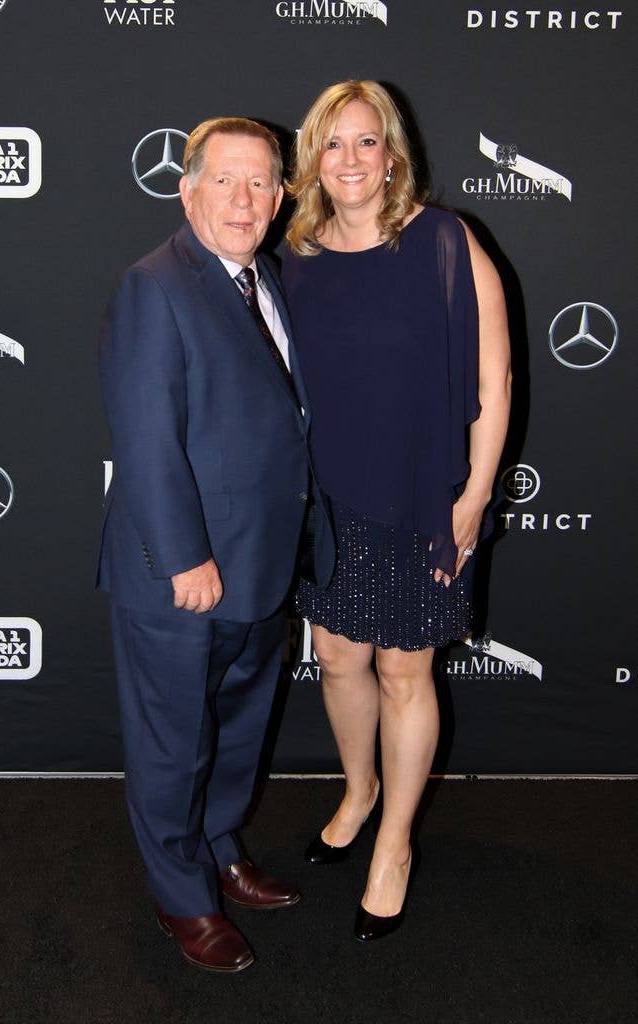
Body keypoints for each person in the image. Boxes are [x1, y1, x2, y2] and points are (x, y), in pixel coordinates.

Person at [98, 117, 334, 973]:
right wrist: (185, 558)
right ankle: (182, 896)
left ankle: (219, 846)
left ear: (281, 197)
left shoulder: (264, 279)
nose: (244, 199)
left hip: (262, 564)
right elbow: (146, 438)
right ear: (185, 187)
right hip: (182, 573)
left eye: (261, 182)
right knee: (172, 740)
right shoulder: (154, 286)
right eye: (225, 180)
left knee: (237, 728)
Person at [282, 81, 512, 941]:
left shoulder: (446, 242)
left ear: (392, 155)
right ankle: (359, 789)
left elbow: (495, 383)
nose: (350, 160)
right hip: (331, 499)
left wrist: (476, 496)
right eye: (333, 144)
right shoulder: (295, 254)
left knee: (404, 672)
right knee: (340, 661)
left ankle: (397, 843)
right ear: (313, 159)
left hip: (423, 498)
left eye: (365, 142)